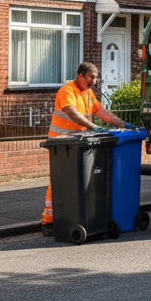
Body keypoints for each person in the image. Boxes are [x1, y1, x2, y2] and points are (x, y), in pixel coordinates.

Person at [42, 62, 126, 235]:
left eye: (96, 78)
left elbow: (101, 111)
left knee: (79, 182)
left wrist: (121, 123)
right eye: (91, 77)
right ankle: (49, 221)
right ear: (81, 75)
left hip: (78, 144)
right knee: (59, 182)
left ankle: (76, 216)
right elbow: (72, 112)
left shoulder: (87, 94)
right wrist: (93, 127)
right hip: (61, 142)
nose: (94, 82)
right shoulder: (67, 90)